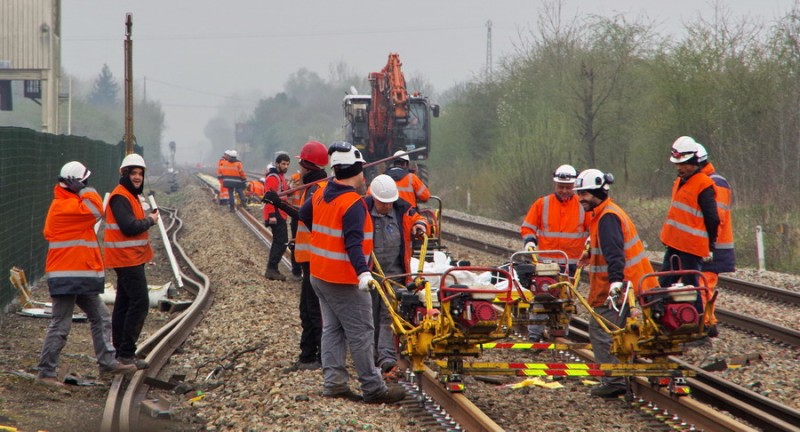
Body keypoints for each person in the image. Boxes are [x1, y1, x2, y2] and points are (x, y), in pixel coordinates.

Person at [298, 141, 406, 404]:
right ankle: (373, 388)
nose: (363, 176)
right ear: (356, 171)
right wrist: (363, 273)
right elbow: (353, 243)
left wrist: (326, 240)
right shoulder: (353, 203)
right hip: (343, 279)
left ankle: (334, 383)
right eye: (361, 170)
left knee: (333, 330)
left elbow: (303, 213)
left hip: (319, 276)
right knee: (362, 332)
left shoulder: (322, 192)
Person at [37, 162, 137, 385]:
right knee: (61, 325)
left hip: (78, 276)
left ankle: (108, 364)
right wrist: (83, 190)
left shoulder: (72, 203)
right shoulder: (64, 207)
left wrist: (79, 191)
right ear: (75, 183)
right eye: (85, 181)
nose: (88, 185)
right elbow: (97, 209)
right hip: (66, 277)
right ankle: (46, 373)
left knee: (101, 317)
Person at [574, 168, 658, 398]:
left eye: (584, 194)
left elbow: (614, 255)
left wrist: (615, 284)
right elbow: (607, 243)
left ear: (597, 192)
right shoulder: (605, 213)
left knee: (601, 330)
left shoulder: (607, 217)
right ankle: (623, 373)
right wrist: (591, 247)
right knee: (621, 333)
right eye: (579, 193)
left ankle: (614, 380)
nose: (580, 198)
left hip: (620, 285)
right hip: (628, 283)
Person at [264, 141, 328, 371]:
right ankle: (308, 356)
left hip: (315, 257)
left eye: (301, 164)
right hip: (310, 255)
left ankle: (317, 358)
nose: (298, 169)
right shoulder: (315, 186)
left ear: (308, 165)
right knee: (308, 309)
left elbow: (305, 217)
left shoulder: (316, 189)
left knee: (313, 310)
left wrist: (277, 202)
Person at [364, 174, 428, 378]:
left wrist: (421, 226)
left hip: (395, 275)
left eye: (390, 202)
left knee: (387, 317)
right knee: (369, 316)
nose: (388, 206)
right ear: (374, 199)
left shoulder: (402, 210)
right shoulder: (362, 210)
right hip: (370, 275)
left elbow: (419, 217)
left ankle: (386, 359)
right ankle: (369, 356)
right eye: (384, 204)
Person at [520, 164, 589, 342]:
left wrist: (590, 245)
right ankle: (535, 336)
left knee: (566, 300)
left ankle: (560, 333)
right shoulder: (542, 204)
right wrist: (529, 241)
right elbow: (528, 226)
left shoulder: (583, 206)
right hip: (545, 263)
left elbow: (593, 229)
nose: (565, 191)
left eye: (568, 187)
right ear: (555, 185)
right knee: (541, 298)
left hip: (571, 264)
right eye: (561, 187)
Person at [104, 154, 159, 370]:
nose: (137, 177)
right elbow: (128, 226)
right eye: (133, 173)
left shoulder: (131, 195)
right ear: (125, 174)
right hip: (125, 259)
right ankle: (126, 353)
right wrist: (150, 221)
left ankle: (121, 351)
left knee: (124, 303)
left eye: (140, 173)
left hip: (131, 258)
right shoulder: (121, 197)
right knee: (139, 302)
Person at [659, 136, 719, 314]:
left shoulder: (704, 184)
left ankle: (700, 324)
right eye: (677, 164)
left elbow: (712, 218)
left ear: (694, 162)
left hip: (691, 248)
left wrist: (711, 245)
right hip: (674, 244)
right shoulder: (679, 182)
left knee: (690, 289)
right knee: (664, 286)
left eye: (683, 164)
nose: (679, 167)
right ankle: (665, 321)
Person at [695, 143, 734, 338]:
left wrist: (708, 244)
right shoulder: (705, 181)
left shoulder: (715, 183)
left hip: (713, 246)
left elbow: (715, 218)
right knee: (701, 284)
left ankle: (707, 324)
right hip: (705, 244)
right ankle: (706, 322)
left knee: (703, 284)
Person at [263, 152, 292, 281]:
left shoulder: (280, 177)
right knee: (281, 242)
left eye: (287, 164)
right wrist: (272, 215)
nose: (285, 166)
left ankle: (273, 269)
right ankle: (271, 268)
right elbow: (269, 198)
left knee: (280, 241)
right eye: (283, 164)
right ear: (277, 164)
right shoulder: (273, 177)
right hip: (276, 214)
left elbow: (282, 194)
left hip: (281, 213)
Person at [286, 170, 304, 280]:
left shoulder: (316, 178)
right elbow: (287, 192)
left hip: (308, 214)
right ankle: (296, 271)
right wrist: (292, 187)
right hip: (296, 213)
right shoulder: (294, 177)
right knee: (295, 241)